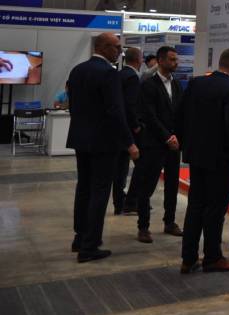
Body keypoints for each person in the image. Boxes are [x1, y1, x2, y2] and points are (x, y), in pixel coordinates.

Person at [67, 33, 139, 262]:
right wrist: (129, 142)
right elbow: (116, 111)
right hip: (104, 142)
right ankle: (90, 246)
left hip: (81, 139)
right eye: (117, 47)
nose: (120, 51)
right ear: (104, 47)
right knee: (100, 191)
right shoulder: (109, 73)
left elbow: (74, 104)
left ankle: (80, 238)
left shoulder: (77, 70)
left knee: (84, 188)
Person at [177, 48, 229, 274]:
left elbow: (180, 114)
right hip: (222, 159)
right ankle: (213, 257)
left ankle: (188, 258)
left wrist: (187, 144)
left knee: (196, 206)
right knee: (216, 210)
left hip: (197, 156)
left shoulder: (196, 83)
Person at [132, 46, 184, 243]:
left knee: (172, 185)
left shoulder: (177, 84)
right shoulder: (149, 85)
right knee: (147, 186)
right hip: (154, 144)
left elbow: (180, 113)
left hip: (174, 145)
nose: (176, 63)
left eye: (176, 59)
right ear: (160, 61)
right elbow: (149, 115)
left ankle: (169, 222)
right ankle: (143, 227)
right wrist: (167, 137)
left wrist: (178, 136)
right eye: (172, 59)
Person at [115, 47, 143, 216]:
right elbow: (130, 105)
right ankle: (129, 202)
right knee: (132, 167)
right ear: (138, 60)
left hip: (117, 129)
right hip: (129, 130)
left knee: (119, 169)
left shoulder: (119, 74)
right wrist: (136, 125)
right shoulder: (132, 77)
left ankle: (120, 203)